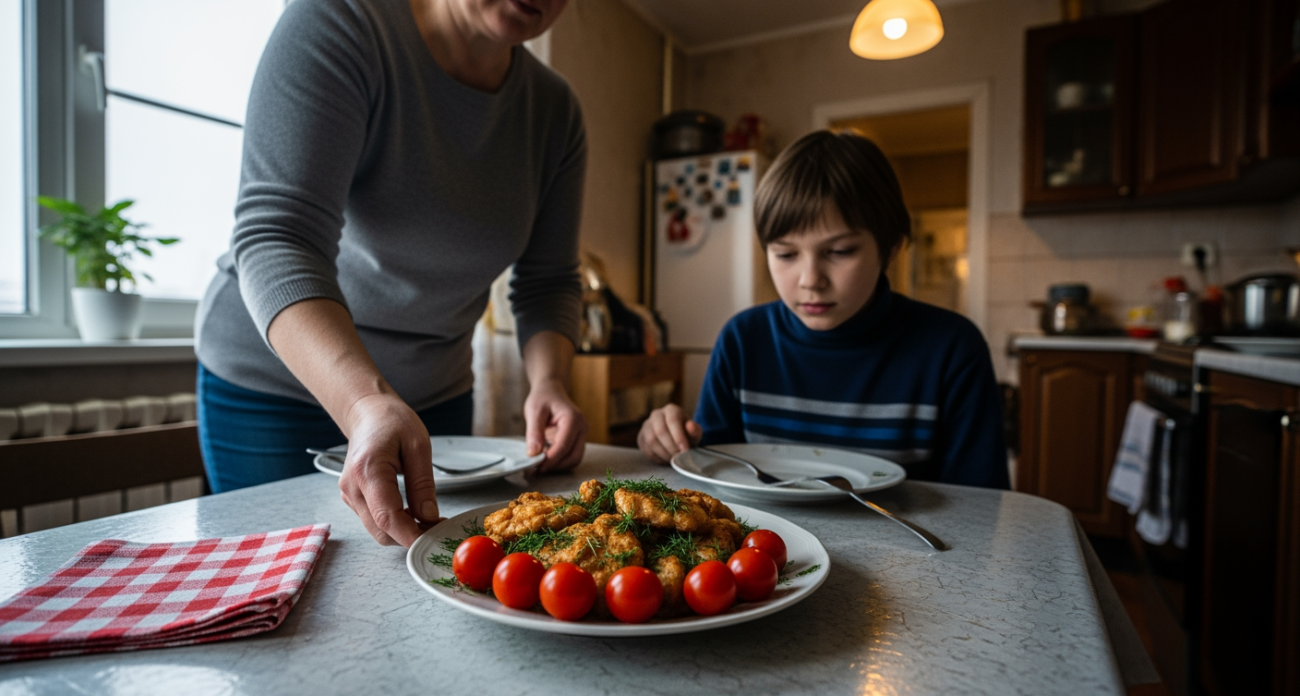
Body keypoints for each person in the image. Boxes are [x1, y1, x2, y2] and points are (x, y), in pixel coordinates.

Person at [194, 0, 588, 549]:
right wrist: (361, 403)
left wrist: (549, 382)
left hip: (433, 396)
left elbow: (548, 283)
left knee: (429, 581)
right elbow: (279, 238)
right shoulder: (341, 22)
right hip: (275, 387)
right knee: (282, 597)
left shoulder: (555, 113)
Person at [637, 130, 1009, 489]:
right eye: (785, 254)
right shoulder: (743, 340)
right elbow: (713, 472)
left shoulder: (952, 349)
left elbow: (981, 505)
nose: (810, 280)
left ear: (891, 249)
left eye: (840, 252)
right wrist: (669, 440)